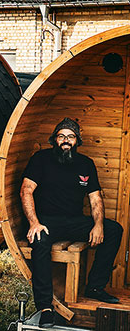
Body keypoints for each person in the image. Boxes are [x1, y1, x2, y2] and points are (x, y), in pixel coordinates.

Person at [21, 118, 123, 328]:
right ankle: (45, 307)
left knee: (114, 230)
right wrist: (34, 223)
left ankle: (94, 287)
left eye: (70, 136)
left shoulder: (85, 164)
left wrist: (98, 225)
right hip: (46, 222)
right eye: (61, 136)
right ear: (54, 139)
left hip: (74, 221)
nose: (66, 140)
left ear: (77, 141)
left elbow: (95, 198)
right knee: (40, 241)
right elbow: (26, 190)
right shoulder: (41, 159)